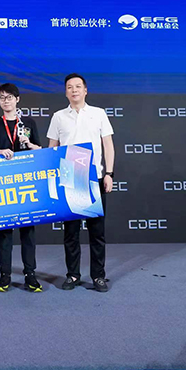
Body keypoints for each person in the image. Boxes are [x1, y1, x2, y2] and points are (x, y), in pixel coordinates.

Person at [46, 73, 115, 293]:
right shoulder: (58, 117)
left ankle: (98, 276)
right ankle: (73, 274)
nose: (74, 90)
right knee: (71, 233)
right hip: (69, 179)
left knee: (97, 233)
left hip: (94, 178)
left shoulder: (99, 113)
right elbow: (52, 149)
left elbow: (108, 146)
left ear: (85, 90)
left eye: (78, 86)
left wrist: (109, 173)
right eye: (70, 87)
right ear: (65, 92)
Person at [0, 83, 43, 292]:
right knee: (5, 233)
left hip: (26, 182)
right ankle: (4, 275)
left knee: (28, 232)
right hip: (3, 183)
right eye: (2, 97)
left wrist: (30, 144)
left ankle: (30, 275)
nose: (6, 101)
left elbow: (40, 151)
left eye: (9, 97)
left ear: (17, 99)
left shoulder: (29, 123)